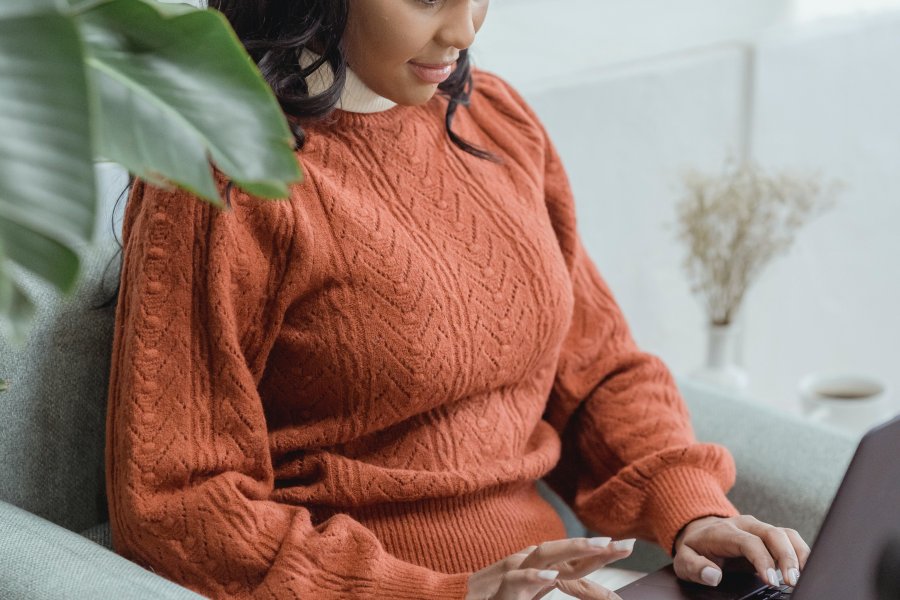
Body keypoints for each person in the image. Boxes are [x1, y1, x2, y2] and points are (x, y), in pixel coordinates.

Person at [104, 0, 811, 598]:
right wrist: (447, 593)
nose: (465, 31)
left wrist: (688, 510)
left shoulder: (495, 120)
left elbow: (597, 374)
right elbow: (181, 503)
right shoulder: (217, 178)